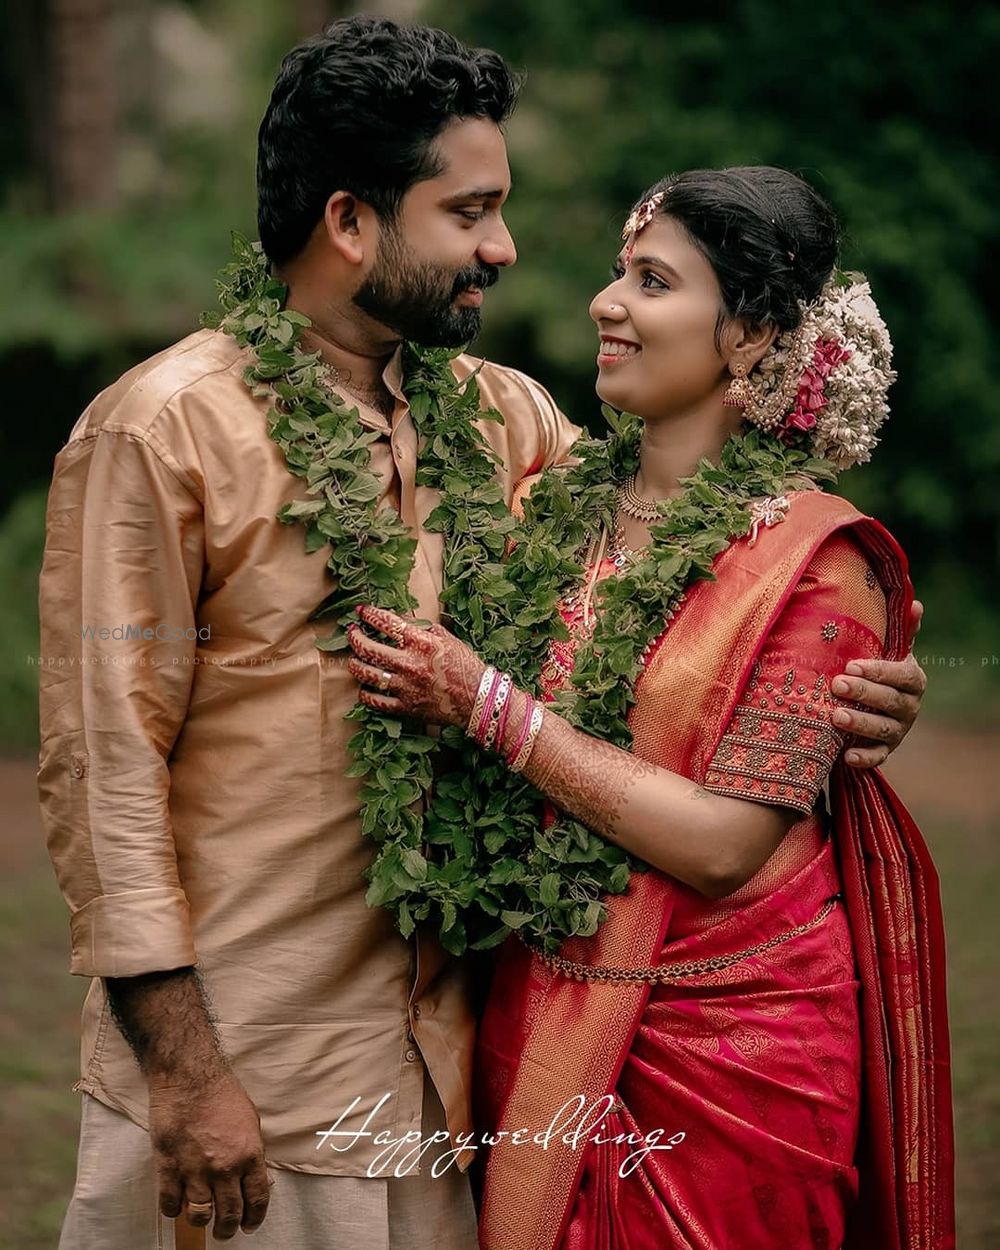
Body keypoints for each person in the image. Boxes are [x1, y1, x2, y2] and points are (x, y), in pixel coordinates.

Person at [37, 14, 925, 1247]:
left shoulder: (502, 421)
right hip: (249, 1067)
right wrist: (186, 1072)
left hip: (455, 1078)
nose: (505, 247)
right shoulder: (162, 433)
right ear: (351, 222)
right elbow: (104, 775)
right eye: (469, 211)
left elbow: (698, 572)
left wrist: (862, 668)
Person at [347, 167, 952, 1249]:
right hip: (541, 995)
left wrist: (483, 703)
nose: (605, 302)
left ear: (752, 336)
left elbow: (724, 845)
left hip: (731, 1048)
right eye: (619, 272)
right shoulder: (557, 501)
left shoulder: (820, 570)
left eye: (653, 280)